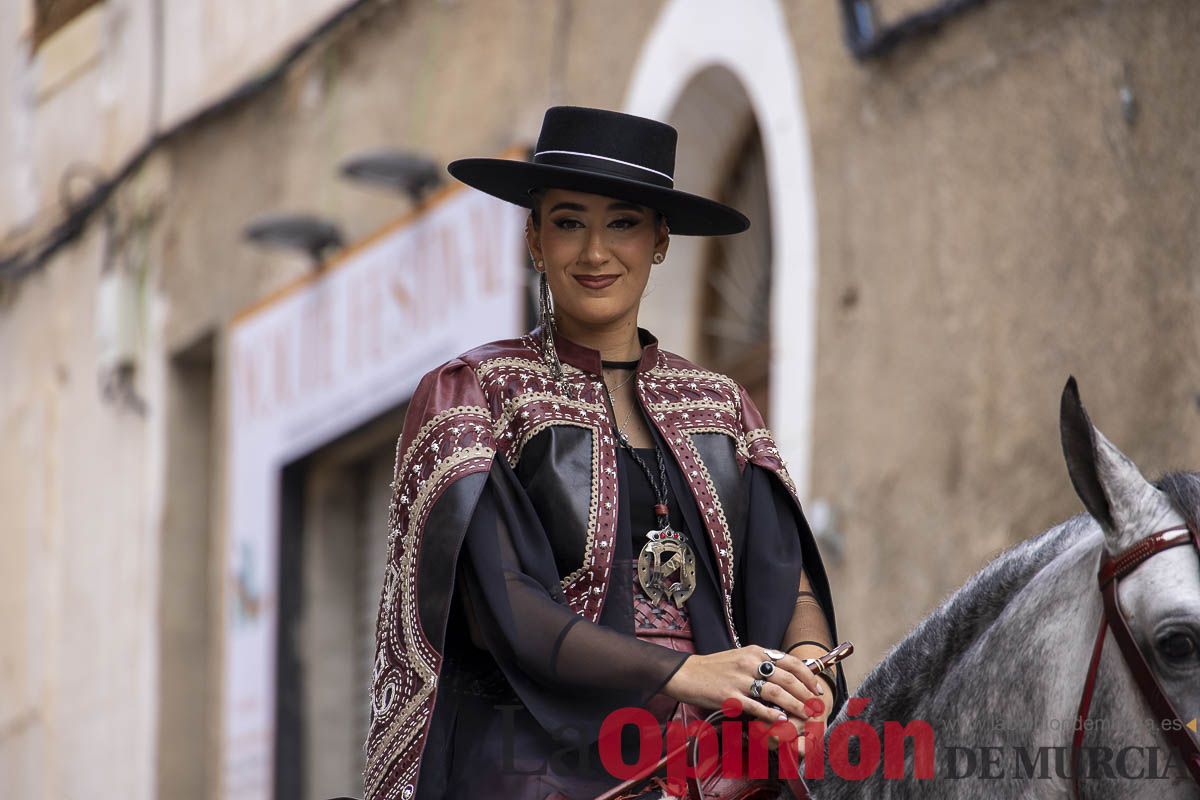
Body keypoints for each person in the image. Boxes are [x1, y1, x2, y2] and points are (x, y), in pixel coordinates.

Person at [363, 106, 847, 800]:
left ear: (660, 240)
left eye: (622, 222)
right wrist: (686, 673)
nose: (595, 252)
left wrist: (807, 670)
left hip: (714, 766)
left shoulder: (721, 405)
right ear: (534, 238)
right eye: (568, 221)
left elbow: (786, 578)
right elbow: (505, 607)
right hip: (534, 767)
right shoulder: (476, 394)